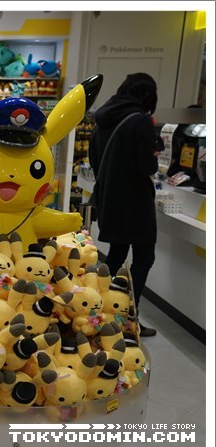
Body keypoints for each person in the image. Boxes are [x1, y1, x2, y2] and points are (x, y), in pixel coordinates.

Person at [89, 72, 160, 337]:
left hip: (110, 200)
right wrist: (154, 153)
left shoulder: (103, 120)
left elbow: (94, 159)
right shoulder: (140, 121)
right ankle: (129, 319)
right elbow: (147, 166)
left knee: (117, 254)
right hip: (136, 203)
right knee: (144, 257)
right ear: (146, 95)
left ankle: (100, 312)